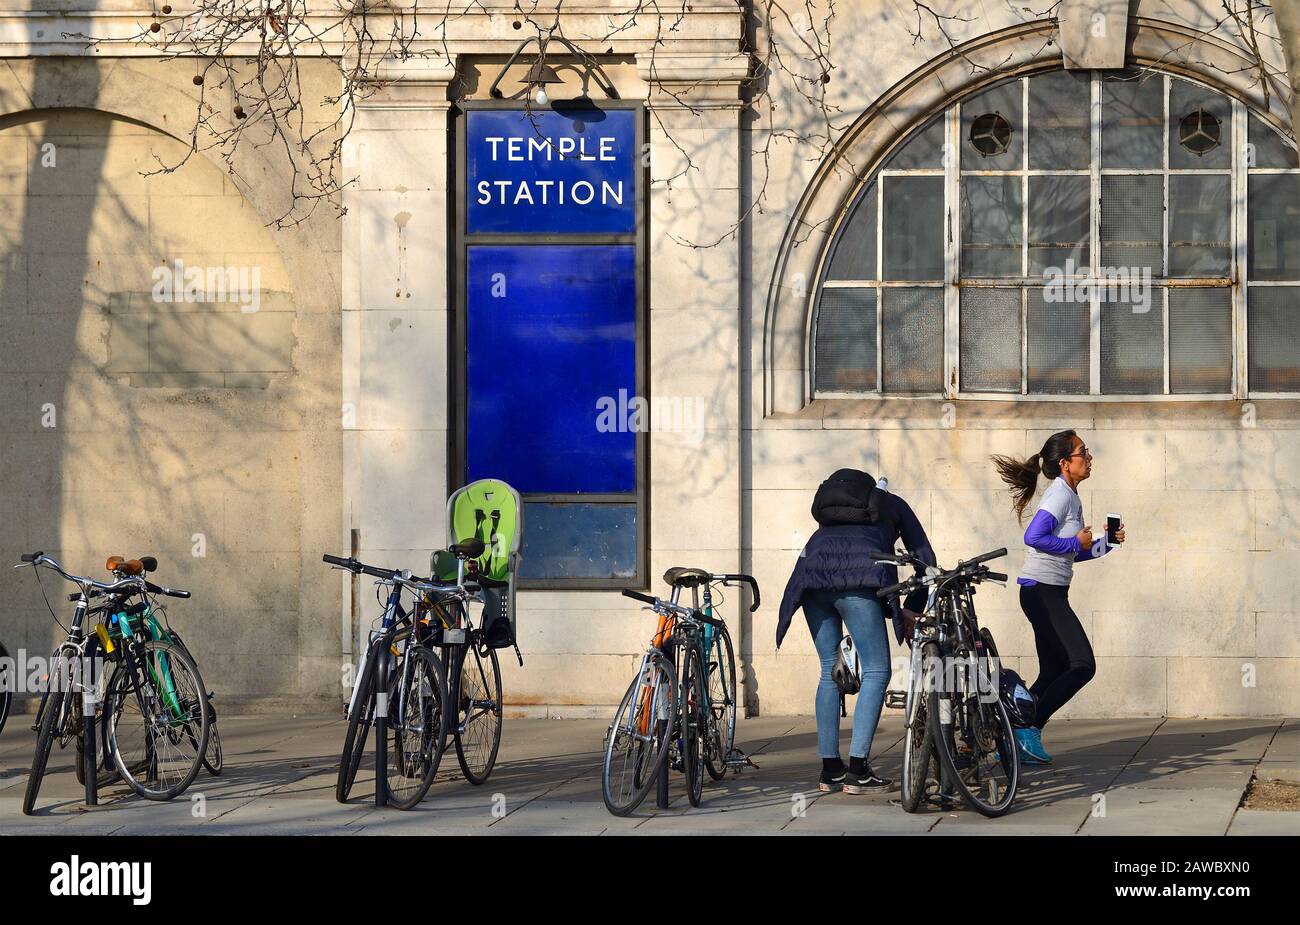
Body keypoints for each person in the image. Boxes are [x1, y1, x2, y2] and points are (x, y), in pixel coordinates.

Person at [777, 469, 934, 793]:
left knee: (828, 670)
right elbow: (925, 559)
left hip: (811, 579)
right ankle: (859, 769)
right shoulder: (892, 504)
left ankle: (831, 769)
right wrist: (912, 607)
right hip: (860, 581)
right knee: (877, 670)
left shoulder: (834, 512)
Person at [992, 430, 1125, 764]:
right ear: (1066, 463)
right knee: (1082, 665)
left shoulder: (1070, 496)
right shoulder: (1060, 495)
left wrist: (1105, 543)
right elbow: (1033, 536)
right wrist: (1072, 544)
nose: (1090, 458)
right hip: (1042, 593)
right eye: (1084, 452)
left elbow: (1071, 553)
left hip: (1047, 592)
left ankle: (1010, 732)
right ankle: (1028, 728)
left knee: (1053, 672)